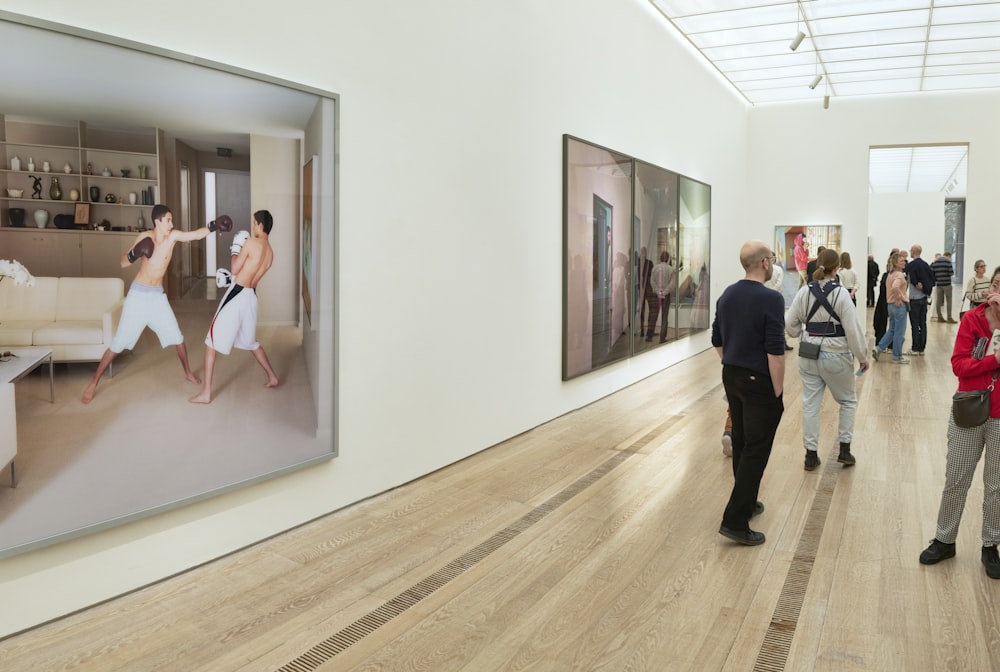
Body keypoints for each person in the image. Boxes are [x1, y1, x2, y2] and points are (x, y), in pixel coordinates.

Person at [82, 205, 230, 403]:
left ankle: (187, 372)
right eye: (168, 220)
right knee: (118, 344)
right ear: (157, 221)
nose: (172, 224)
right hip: (137, 296)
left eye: (171, 220)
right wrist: (136, 253)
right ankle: (93, 382)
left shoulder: (173, 236)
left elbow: (195, 235)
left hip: (157, 297)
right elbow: (123, 262)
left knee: (178, 338)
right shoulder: (145, 237)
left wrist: (213, 226)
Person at [919, 266, 1000, 579]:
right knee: (957, 478)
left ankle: (990, 544)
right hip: (971, 409)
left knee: (996, 486)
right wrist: (993, 361)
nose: (996, 290)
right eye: (995, 283)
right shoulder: (973, 319)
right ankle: (944, 539)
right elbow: (959, 366)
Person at [711, 240, 785, 546]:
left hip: (732, 375)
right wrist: (777, 391)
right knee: (756, 447)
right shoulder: (771, 299)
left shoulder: (727, 294)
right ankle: (735, 520)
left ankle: (748, 499)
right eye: (772, 258)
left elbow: (716, 339)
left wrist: (734, 361)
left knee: (741, 438)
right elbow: (775, 350)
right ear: (765, 263)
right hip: (759, 380)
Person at [785, 248, 870, 471]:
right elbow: (852, 330)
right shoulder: (841, 294)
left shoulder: (804, 291)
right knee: (848, 401)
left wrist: (800, 333)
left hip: (808, 354)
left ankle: (811, 455)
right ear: (837, 268)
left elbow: (789, 324)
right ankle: (844, 450)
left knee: (810, 404)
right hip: (836, 354)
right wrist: (862, 357)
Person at [190, 210, 279, 404]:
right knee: (250, 342)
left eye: (254, 223)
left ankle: (206, 393)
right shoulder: (270, 253)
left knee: (210, 342)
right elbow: (250, 272)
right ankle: (272, 376)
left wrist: (236, 248)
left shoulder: (250, 243)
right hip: (251, 298)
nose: (253, 227)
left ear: (261, 226)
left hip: (237, 295)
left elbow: (236, 268)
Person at [872, 252, 910, 364]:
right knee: (899, 332)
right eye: (901, 260)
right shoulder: (899, 275)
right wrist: (898, 298)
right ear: (896, 263)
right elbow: (895, 287)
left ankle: (879, 348)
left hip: (891, 306)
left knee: (892, 329)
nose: (904, 262)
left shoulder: (890, 274)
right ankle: (897, 356)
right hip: (898, 306)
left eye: (904, 260)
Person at [905, 244, 935, 356]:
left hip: (914, 299)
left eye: (911, 250)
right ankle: (922, 349)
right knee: (923, 323)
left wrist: (916, 284)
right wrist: (925, 288)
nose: (910, 252)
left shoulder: (912, 265)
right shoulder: (926, 265)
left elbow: (911, 279)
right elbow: (932, 280)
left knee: (914, 324)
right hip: (923, 298)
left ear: (914, 251)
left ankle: (915, 348)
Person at [649, 250, 675, 343]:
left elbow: (652, 282)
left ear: (660, 258)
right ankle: (662, 338)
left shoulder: (655, 268)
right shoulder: (670, 269)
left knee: (653, 315)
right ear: (667, 259)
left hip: (656, 295)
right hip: (666, 296)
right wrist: (664, 292)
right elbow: (672, 284)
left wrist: (658, 292)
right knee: (664, 317)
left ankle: (649, 335)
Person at [931, 251, 955, 322]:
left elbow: (932, 273)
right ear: (948, 256)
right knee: (949, 301)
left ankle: (940, 317)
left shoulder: (935, 263)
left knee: (938, 301)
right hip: (947, 284)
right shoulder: (948, 262)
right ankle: (949, 317)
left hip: (939, 284)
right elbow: (951, 273)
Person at [636, 247, 653, 336]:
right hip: (644, 288)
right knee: (643, 309)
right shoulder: (642, 263)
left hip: (645, 288)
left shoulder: (648, 263)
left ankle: (645, 329)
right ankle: (643, 329)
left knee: (647, 309)